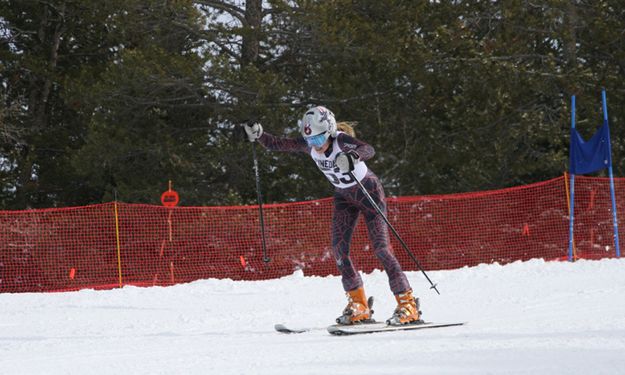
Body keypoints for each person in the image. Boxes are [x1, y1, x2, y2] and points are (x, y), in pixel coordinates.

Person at [244, 106, 421, 325]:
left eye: (318, 139)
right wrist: (259, 134)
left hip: (369, 194)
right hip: (344, 197)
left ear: (328, 132)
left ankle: (407, 304)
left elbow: (368, 149)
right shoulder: (309, 145)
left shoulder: (341, 141)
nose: (314, 146)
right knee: (339, 250)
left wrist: (353, 157)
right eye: (310, 141)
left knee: (382, 249)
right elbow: (277, 144)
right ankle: (359, 305)